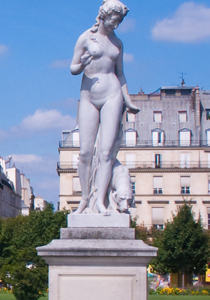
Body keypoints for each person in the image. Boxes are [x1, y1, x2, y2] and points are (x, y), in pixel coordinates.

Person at [70, 0, 139, 215]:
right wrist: (82, 62)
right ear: (102, 16)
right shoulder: (85, 37)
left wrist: (128, 100)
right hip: (89, 96)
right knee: (85, 153)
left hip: (113, 94)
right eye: (113, 20)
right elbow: (73, 69)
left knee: (106, 152)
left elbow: (120, 73)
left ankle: (100, 201)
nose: (115, 25)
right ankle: (83, 199)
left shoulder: (117, 44)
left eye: (118, 22)